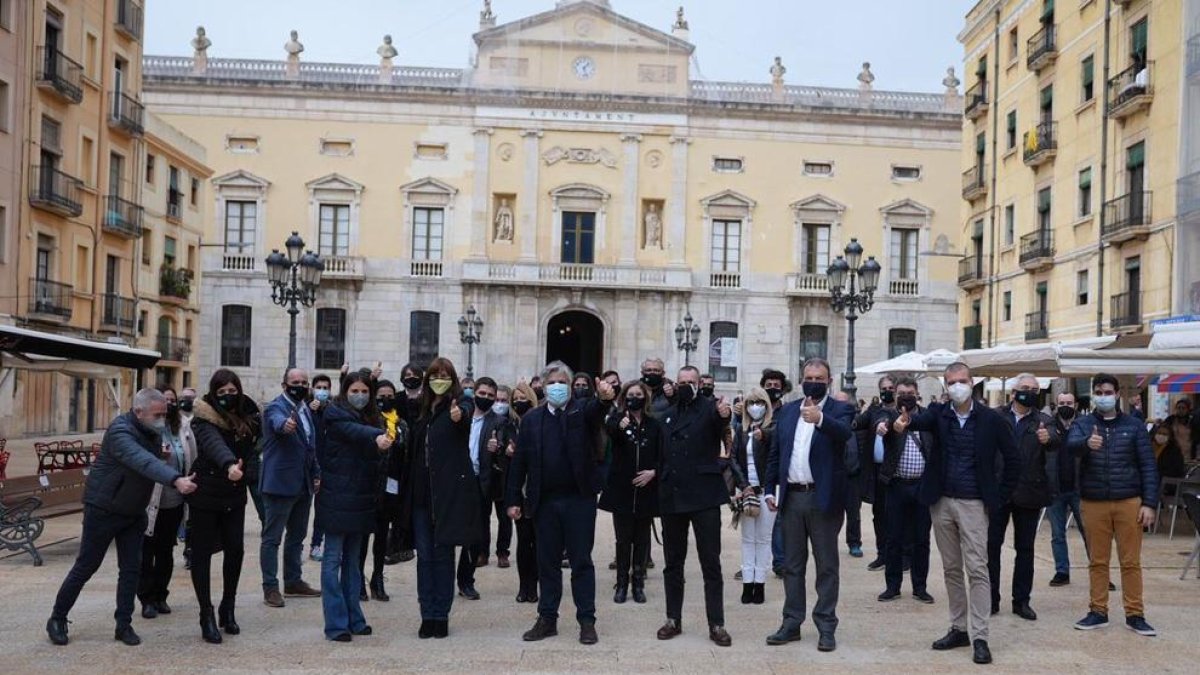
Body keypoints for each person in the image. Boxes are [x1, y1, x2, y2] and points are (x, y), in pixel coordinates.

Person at [46, 389, 198, 647]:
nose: (162, 419)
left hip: (134, 511)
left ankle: (123, 624)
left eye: (164, 414)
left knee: (131, 570)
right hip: (103, 508)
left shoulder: (151, 429)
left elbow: (155, 457)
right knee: (86, 565)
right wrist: (175, 479)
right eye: (157, 414)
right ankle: (57, 618)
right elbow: (141, 461)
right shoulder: (120, 432)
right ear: (138, 412)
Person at [893, 362, 1019, 666]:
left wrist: (998, 498)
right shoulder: (940, 414)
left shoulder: (991, 419)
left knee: (977, 569)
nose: (957, 386)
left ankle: (980, 636)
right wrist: (902, 423)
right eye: (952, 382)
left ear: (972, 382)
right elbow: (917, 421)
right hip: (942, 502)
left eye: (962, 381)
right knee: (951, 569)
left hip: (974, 503)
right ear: (945, 386)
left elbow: (1014, 460)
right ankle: (958, 627)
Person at [508, 362, 614, 645]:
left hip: (579, 500)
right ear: (543, 386)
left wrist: (605, 397)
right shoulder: (532, 419)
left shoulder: (581, 411)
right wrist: (513, 499)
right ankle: (547, 618)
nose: (558, 387)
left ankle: (587, 621)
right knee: (547, 563)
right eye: (552, 382)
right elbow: (519, 463)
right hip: (545, 501)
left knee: (581, 561)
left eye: (563, 382)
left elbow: (598, 409)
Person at [762, 358, 854, 653]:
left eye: (819, 377)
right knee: (792, 565)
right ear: (801, 379)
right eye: (809, 376)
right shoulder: (788, 411)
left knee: (827, 565)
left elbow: (845, 433)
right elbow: (777, 453)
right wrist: (769, 490)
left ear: (829, 381)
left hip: (823, 498)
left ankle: (826, 626)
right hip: (792, 497)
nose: (813, 380)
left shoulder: (840, 408)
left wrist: (821, 420)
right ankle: (791, 622)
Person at [1067, 373, 1159, 637]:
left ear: (1117, 394)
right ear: (1093, 395)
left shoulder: (1134, 425)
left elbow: (1148, 466)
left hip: (1129, 501)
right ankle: (1098, 611)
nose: (1103, 396)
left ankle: (1135, 614)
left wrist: (1149, 503)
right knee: (1097, 561)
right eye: (1099, 391)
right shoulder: (1084, 424)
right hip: (1094, 501)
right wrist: (1087, 444)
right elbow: (1070, 448)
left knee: (1130, 561)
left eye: (1108, 392)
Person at [400, 357, 482, 639]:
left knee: (443, 555)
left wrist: (460, 415)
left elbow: (468, 412)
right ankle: (427, 613)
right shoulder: (422, 410)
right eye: (435, 374)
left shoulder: (458, 404)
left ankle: (441, 614)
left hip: (448, 495)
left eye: (445, 375)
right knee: (425, 557)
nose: (439, 379)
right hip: (422, 495)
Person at [655, 366, 734, 647]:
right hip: (673, 497)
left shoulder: (710, 408)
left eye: (691, 382)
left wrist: (726, 414)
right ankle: (672, 619)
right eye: (682, 382)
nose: (686, 385)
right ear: (675, 384)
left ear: (700, 383)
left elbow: (722, 420)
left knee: (710, 562)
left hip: (704, 496)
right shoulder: (666, 412)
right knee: (672, 563)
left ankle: (717, 623)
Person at [317, 371, 394, 641]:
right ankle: (336, 623)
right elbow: (353, 431)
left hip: (361, 499)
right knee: (332, 560)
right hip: (337, 498)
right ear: (345, 391)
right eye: (354, 391)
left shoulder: (371, 415)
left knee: (353, 562)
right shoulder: (335, 413)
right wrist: (376, 435)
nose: (360, 396)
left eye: (364, 391)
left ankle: (355, 618)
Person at [187, 369, 258, 643]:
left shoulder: (248, 416)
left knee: (235, 551)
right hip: (207, 492)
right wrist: (229, 464)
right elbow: (213, 444)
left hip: (234, 494)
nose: (228, 396)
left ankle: (228, 607)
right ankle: (206, 613)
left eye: (232, 391)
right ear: (214, 395)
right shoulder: (203, 418)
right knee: (201, 554)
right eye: (222, 393)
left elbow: (253, 446)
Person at [989, 374, 1059, 621]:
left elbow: (1055, 440)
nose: (1028, 392)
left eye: (1033, 389)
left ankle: (1021, 602)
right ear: (1013, 391)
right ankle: (990, 599)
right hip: (998, 491)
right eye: (1024, 388)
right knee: (991, 548)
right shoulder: (996, 416)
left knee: (1025, 549)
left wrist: (1048, 439)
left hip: (1030, 492)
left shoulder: (1044, 421)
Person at [260, 368, 322, 607]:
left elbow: (309, 446)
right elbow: (279, 423)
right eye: (295, 382)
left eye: (304, 382)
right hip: (279, 484)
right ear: (284, 384)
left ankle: (293, 581)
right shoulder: (276, 407)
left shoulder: (305, 408)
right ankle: (270, 587)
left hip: (303, 484)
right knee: (272, 538)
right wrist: (284, 425)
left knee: (297, 536)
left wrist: (316, 473)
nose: (300, 385)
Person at [600, 380, 662, 605]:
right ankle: (622, 583)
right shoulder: (616, 420)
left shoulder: (653, 424)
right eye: (630, 395)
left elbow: (661, 454)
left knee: (642, 538)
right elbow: (609, 435)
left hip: (646, 488)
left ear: (644, 398)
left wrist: (653, 472)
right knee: (623, 539)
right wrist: (619, 425)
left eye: (638, 394)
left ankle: (638, 582)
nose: (634, 398)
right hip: (622, 489)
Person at [873, 376, 934, 604]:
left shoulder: (927, 416)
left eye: (909, 392)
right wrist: (886, 427)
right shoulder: (888, 414)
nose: (905, 397)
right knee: (893, 538)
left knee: (921, 539)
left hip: (922, 486)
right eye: (901, 393)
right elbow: (880, 425)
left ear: (917, 393)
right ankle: (892, 586)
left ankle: (920, 587)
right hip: (896, 485)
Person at [138, 385, 194, 619]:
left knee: (166, 551)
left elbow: (192, 455)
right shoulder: (146, 429)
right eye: (165, 400)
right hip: (151, 499)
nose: (169, 404)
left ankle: (161, 595)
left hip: (176, 499)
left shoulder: (183, 426)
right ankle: (146, 599)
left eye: (173, 400)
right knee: (146, 551)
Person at [359, 380, 406, 602]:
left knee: (381, 536)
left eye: (389, 396)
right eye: (381, 396)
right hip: (368, 486)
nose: (385, 399)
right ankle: (357, 577)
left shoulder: (401, 424)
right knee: (361, 537)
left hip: (391, 487)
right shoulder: (366, 421)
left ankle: (377, 577)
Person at [457, 377, 503, 598]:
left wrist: (498, 448)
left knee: (475, 533)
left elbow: (505, 449)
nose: (485, 398)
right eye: (482, 394)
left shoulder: (498, 422)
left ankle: (466, 579)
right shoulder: (460, 415)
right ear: (474, 392)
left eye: (490, 396)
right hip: (456, 479)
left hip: (480, 481)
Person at [732, 387, 775, 604]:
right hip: (747, 490)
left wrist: (764, 436)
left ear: (766, 406)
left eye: (759, 402)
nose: (755, 407)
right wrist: (743, 485)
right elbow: (734, 460)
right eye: (751, 403)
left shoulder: (772, 429)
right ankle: (747, 582)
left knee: (764, 539)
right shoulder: (740, 430)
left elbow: (775, 459)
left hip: (767, 492)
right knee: (748, 539)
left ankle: (760, 584)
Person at [855, 375, 897, 567]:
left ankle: (900, 555)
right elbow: (857, 423)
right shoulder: (874, 411)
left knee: (896, 514)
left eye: (891, 388)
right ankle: (882, 554)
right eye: (884, 388)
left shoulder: (902, 411)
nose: (887, 391)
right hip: (876, 471)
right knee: (878, 513)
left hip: (897, 472)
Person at [1048, 392, 1088, 587]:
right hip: (1055, 489)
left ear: (1076, 404)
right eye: (1062, 403)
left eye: (1069, 403)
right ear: (1056, 405)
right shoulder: (1048, 425)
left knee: (1089, 532)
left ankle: (1099, 572)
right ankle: (1062, 571)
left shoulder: (1085, 425)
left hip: (1081, 489)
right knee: (1057, 534)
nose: (1066, 406)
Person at [508, 381, 540, 603]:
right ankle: (523, 586)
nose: (519, 403)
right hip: (519, 491)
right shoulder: (509, 426)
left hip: (537, 490)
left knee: (538, 542)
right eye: (515, 400)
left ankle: (535, 586)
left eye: (523, 399)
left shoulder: (540, 423)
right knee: (523, 541)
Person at [486, 384, 519, 568]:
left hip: (505, 474)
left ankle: (502, 552)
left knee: (504, 517)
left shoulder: (512, 422)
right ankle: (482, 551)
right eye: (496, 400)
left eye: (503, 401)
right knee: (483, 516)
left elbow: (516, 443)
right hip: (488, 472)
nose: (499, 404)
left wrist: (510, 450)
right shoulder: (486, 419)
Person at [309, 374, 334, 562]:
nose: (322, 391)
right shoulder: (306, 409)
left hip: (326, 465)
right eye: (319, 387)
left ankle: (317, 544)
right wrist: (311, 411)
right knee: (300, 510)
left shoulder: (332, 410)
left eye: (326, 387)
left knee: (322, 508)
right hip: (308, 465)